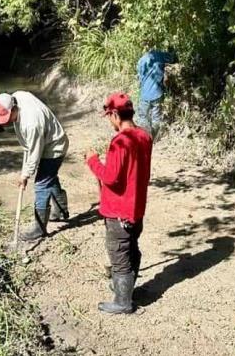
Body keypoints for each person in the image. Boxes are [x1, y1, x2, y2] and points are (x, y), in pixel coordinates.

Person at [85, 92, 153, 314]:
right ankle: (128, 289)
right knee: (132, 247)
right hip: (136, 209)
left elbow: (111, 177)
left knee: (119, 253)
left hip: (119, 211)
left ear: (115, 114)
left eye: (109, 116)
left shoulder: (120, 142)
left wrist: (93, 161)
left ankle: (123, 302)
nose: (109, 122)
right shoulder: (144, 135)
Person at [0, 91, 70, 240]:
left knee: (41, 184)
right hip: (47, 139)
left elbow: (33, 154)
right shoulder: (18, 95)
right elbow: (29, 148)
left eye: (8, 118)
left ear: (14, 108)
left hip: (54, 148)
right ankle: (61, 211)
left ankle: (39, 228)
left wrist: (25, 175)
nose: (8, 122)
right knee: (49, 177)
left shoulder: (31, 124)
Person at [136, 49, 175, 140]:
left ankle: (145, 138)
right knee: (156, 117)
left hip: (144, 94)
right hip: (157, 93)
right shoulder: (160, 55)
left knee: (143, 117)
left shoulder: (141, 60)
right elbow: (172, 58)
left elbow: (140, 78)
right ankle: (154, 138)